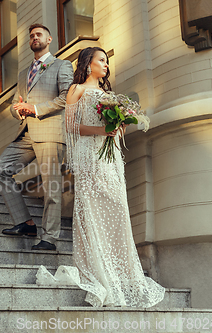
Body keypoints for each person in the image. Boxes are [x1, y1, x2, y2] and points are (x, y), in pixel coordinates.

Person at [60, 47, 165, 307]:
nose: (106, 65)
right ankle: (98, 270)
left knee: (117, 209)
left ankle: (121, 272)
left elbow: (115, 131)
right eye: (101, 60)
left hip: (110, 159)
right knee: (93, 209)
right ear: (87, 64)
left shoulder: (108, 95)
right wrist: (103, 130)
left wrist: (120, 124)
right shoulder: (76, 90)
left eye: (107, 61)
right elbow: (71, 127)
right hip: (89, 158)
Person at [0, 24, 73, 251]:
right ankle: (25, 222)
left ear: (49, 39)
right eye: (31, 36)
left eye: (39, 35)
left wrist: (35, 108)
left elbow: (67, 97)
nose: (34, 38)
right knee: (0, 170)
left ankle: (49, 238)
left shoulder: (61, 65)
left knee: (51, 187)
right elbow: (15, 103)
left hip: (50, 132)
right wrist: (16, 109)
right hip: (26, 133)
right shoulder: (23, 73)